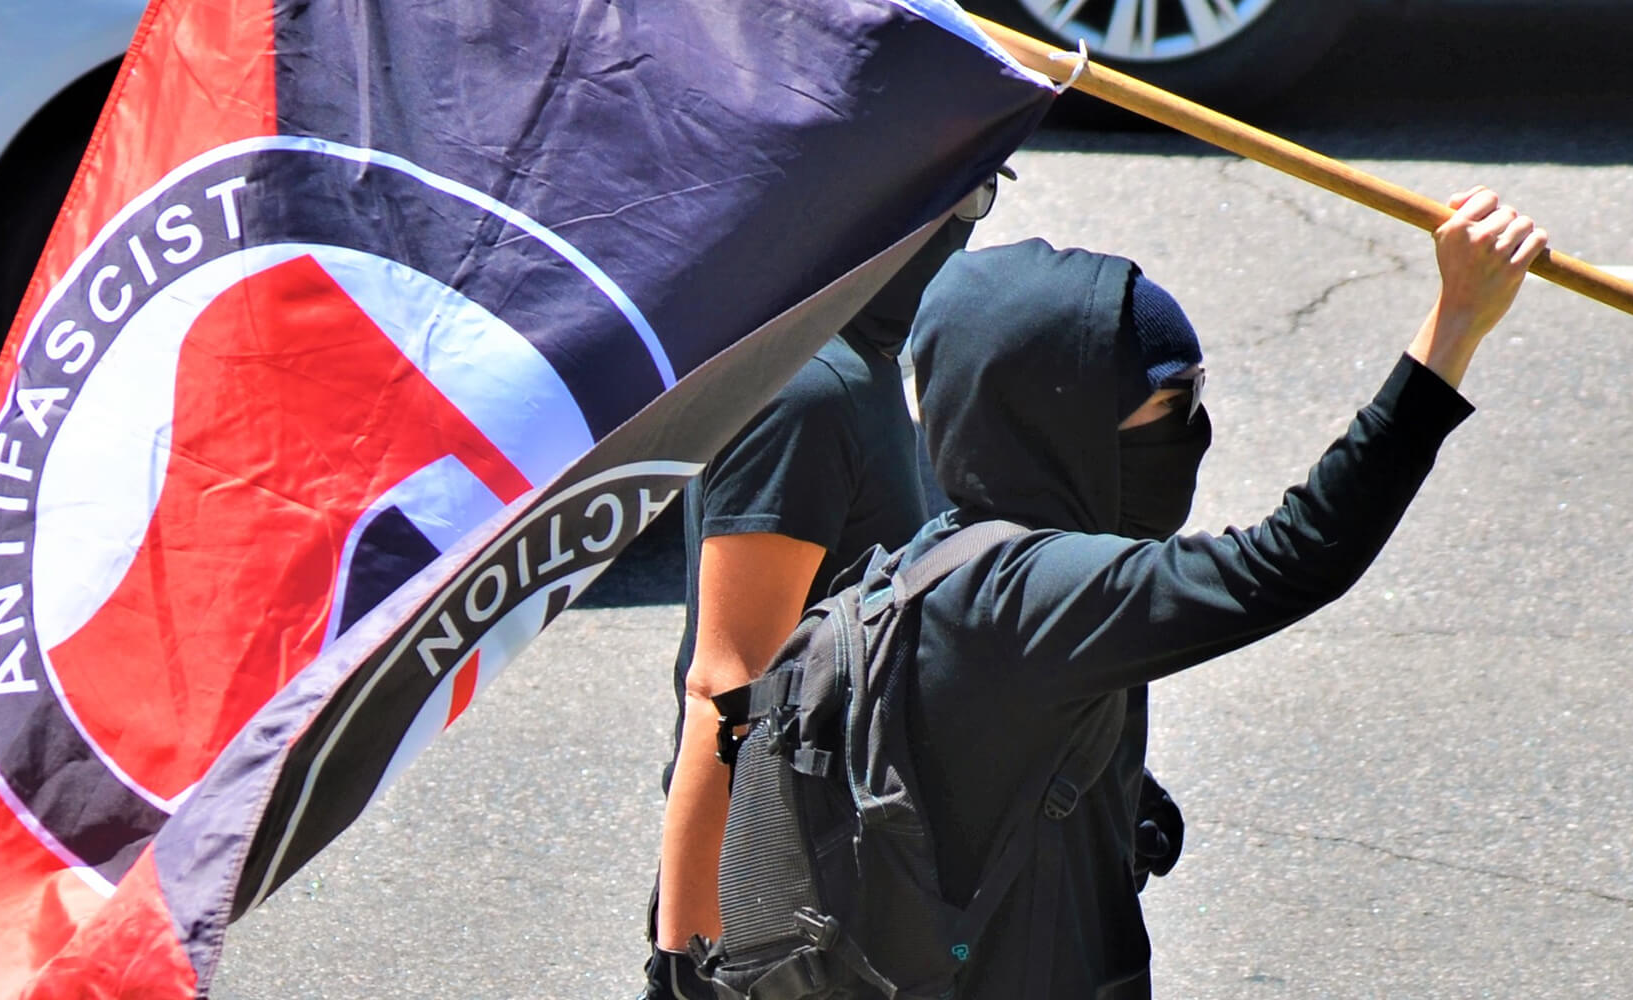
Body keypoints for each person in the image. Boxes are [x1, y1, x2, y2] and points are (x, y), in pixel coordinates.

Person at [883, 186, 1547, 998]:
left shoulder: (938, 555)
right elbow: (1294, 557)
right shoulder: (1039, 597)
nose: (1190, 431)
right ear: (1064, 422)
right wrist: (1455, 324)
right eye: (1173, 403)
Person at [633, 180, 995, 1000]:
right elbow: (728, 688)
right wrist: (690, 964)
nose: (969, 228)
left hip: (852, 874)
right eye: (963, 199)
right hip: (779, 906)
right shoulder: (806, 396)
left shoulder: (854, 370)